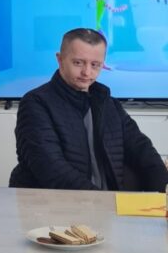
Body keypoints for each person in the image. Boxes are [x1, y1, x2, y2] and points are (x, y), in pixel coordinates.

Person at [9, 27, 168, 191]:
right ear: (60, 59)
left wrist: (162, 190)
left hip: (108, 202)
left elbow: (142, 150)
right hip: (54, 203)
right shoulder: (35, 103)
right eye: (78, 63)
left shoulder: (109, 104)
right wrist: (101, 201)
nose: (87, 72)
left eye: (95, 65)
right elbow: (51, 169)